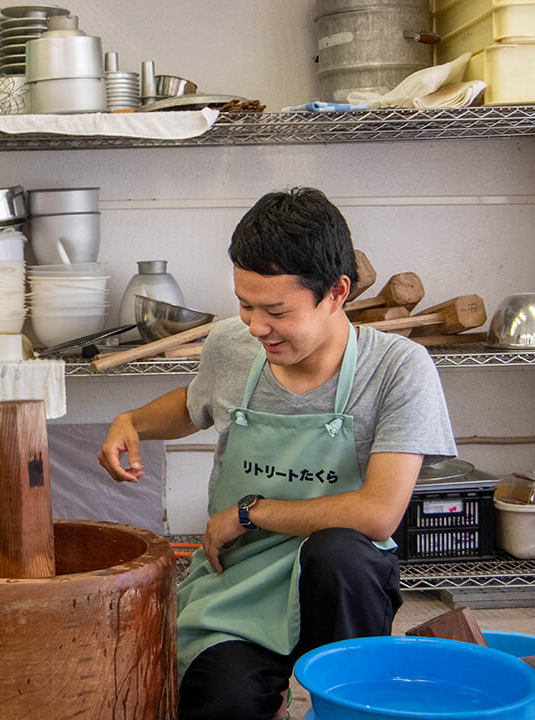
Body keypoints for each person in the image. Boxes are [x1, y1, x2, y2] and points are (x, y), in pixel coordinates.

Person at [97, 188, 456, 720]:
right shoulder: (233, 346)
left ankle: (352, 699)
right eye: (245, 304)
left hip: (337, 580)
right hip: (240, 576)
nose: (256, 326)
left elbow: (378, 512)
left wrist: (250, 512)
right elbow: (194, 404)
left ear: (336, 293)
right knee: (220, 703)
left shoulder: (400, 369)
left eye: (276, 310)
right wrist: (132, 422)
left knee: (340, 552)